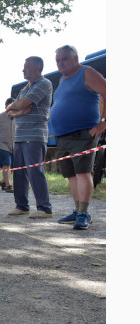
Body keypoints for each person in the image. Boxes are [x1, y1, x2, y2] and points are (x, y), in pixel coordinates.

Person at [50, 45, 106, 230]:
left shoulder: (86, 72)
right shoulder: (62, 79)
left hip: (83, 133)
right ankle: (77, 210)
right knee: (71, 175)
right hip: (63, 135)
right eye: (58, 60)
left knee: (83, 172)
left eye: (64, 58)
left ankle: (84, 213)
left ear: (75, 58)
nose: (60, 63)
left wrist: (103, 123)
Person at [6, 56, 53, 218]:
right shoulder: (24, 88)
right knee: (18, 172)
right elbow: (10, 111)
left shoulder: (44, 84)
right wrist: (18, 109)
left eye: (26, 67)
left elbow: (22, 103)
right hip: (19, 136)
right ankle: (21, 206)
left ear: (37, 68)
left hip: (34, 135)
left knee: (34, 171)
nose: (23, 70)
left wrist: (16, 107)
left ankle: (44, 208)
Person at [0, 98, 16, 192]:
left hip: (15, 144)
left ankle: (4, 181)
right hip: (2, 144)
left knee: (13, 166)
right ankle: (8, 185)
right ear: (5, 107)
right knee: (6, 163)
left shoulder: (18, 117)